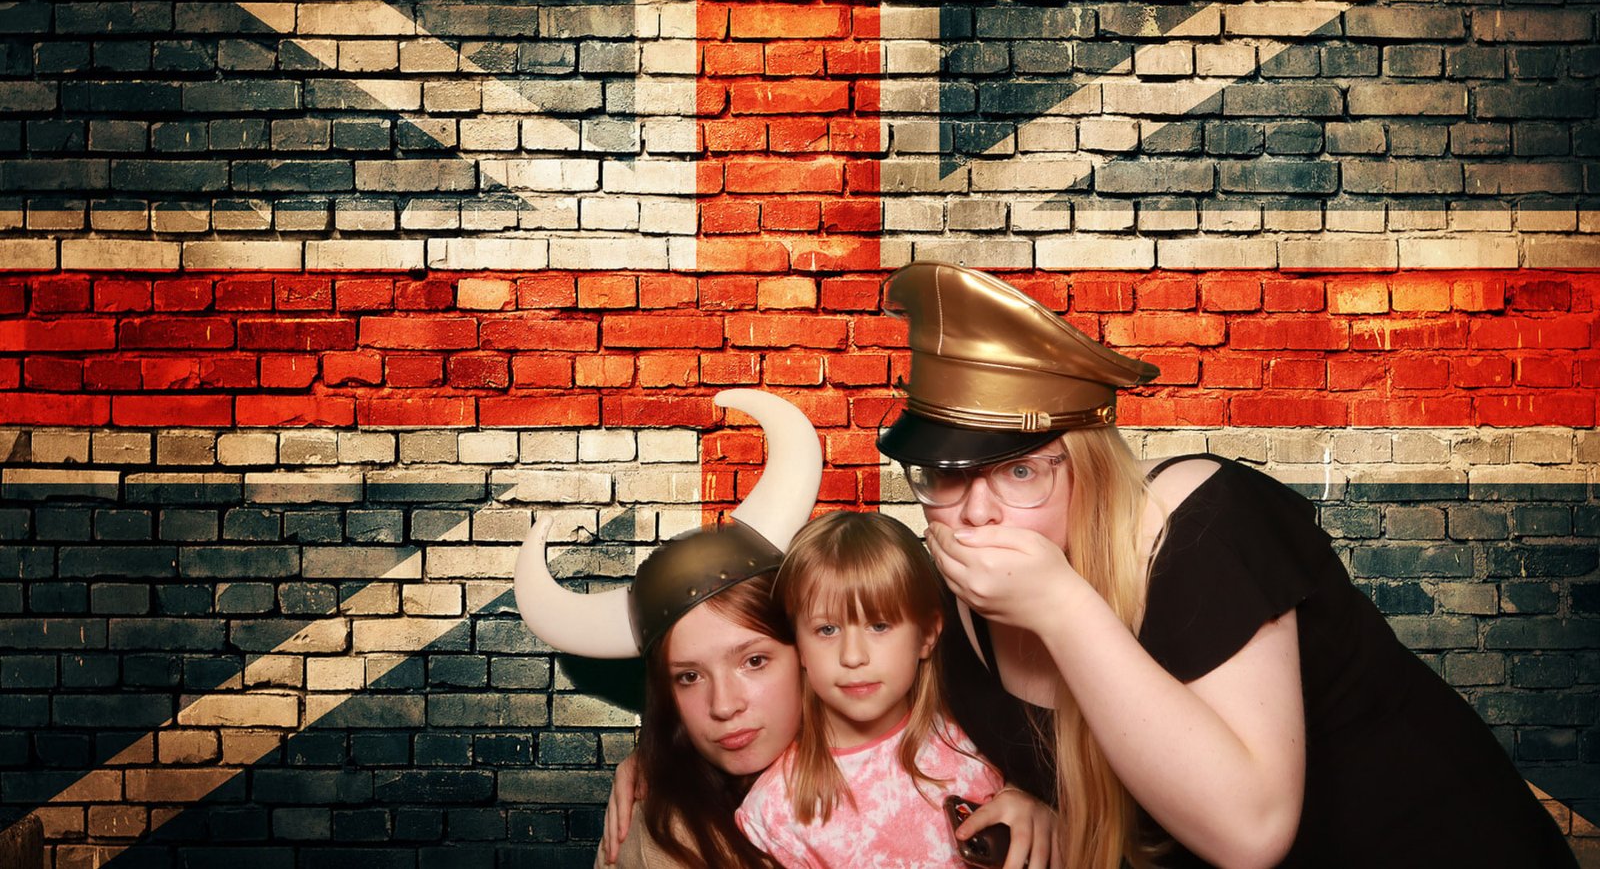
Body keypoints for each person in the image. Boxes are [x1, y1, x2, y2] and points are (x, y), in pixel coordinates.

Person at [875, 261, 1578, 869]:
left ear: (1087, 467)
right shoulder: (947, 610)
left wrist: (1062, 607)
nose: (977, 515)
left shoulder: (1204, 524)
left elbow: (1251, 833)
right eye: (945, 475)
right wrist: (1036, 803)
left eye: (1021, 472)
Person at [516, 389, 1055, 869]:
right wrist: (652, 759)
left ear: (796, 647)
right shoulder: (674, 838)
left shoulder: (961, 710)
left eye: (754, 660)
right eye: (688, 677)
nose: (725, 706)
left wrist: (1037, 805)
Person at [736, 511, 1028, 869]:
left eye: (878, 625)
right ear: (799, 645)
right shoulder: (775, 811)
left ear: (927, 634)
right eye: (827, 630)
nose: (853, 656)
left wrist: (1028, 800)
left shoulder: (980, 739)